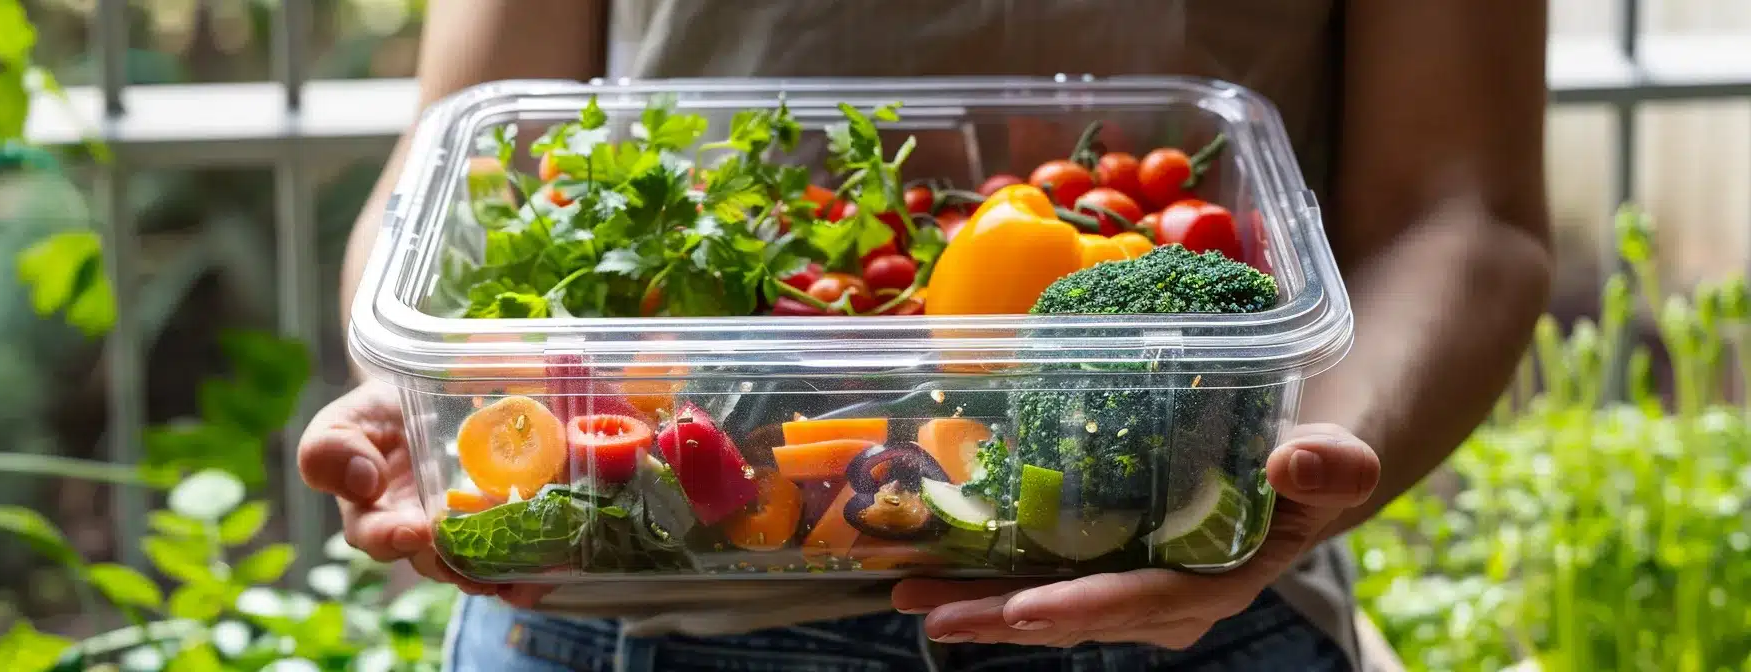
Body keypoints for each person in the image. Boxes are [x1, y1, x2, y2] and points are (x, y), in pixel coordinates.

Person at [297, 1, 1553, 670]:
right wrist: (431, 397)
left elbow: (1462, 210)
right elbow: (465, 152)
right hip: (607, 608)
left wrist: (1306, 471)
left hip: (1194, 614)